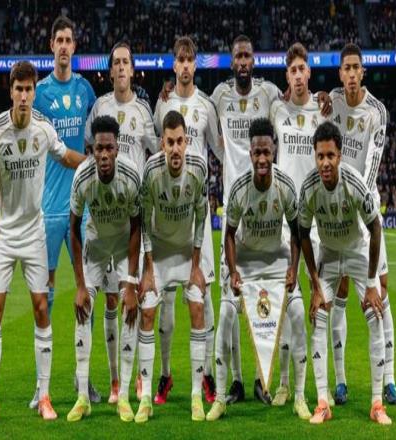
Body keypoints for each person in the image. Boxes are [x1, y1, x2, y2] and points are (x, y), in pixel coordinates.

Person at [0, 61, 86, 423]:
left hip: (34, 231)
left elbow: (65, 156)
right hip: (4, 234)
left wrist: (92, 164)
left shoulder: (43, 128)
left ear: (35, 92)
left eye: (29, 89)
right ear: (11, 92)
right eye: (18, 89)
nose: (24, 95)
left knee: (41, 307)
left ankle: (45, 396)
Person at [206, 118, 305, 421]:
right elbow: (229, 235)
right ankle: (219, 399)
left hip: (277, 260)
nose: (262, 158)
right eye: (257, 153)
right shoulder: (239, 189)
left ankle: (299, 395)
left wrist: (293, 268)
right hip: (245, 262)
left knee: (298, 313)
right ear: (250, 153)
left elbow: (296, 232)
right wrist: (233, 270)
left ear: (273, 152)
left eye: (267, 152)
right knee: (225, 316)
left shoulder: (285, 185)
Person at [299, 121, 391, 425]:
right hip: (328, 253)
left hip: (356, 251)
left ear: (339, 156)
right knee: (318, 316)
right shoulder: (309, 187)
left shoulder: (354, 182)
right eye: (320, 156)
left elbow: (375, 227)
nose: (325, 162)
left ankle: (377, 403)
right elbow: (302, 233)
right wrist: (315, 285)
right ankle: (323, 402)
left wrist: (371, 283)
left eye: (331, 156)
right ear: (315, 156)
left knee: (375, 313)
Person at [84, 41, 158, 403]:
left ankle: (138, 379)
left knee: (138, 299)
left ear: (132, 68)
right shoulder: (100, 107)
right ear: (111, 70)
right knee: (111, 301)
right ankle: (115, 381)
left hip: (136, 219)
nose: (122, 67)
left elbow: (156, 152)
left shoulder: (143, 110)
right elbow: (89, 151)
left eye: (127, 62)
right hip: (106, 218)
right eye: (116, 62)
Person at [31, 15, 99, 407]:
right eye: (58, 39)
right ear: (51, 46)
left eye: (68, 39)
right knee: (45, 297)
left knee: (85, 291)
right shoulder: (39, 93)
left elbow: (96, 137)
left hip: (81, 209)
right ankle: (41, 387)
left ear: (74, 47)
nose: (63, 45)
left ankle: (83, 380)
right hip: (46, 209)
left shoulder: (85, 89)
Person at [329, 43, 396, 405]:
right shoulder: (331, 103)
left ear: (363, 72)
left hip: (365, 208)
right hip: (336, 213)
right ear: (340, 73)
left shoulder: (377, 111)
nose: (352, 74)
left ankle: (389, 379)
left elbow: (373, 163)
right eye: (347, 68)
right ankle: (341, 381)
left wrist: (359, 205)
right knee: (339, 292)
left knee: (380, 292)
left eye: (357, 67)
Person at [153, 36, 221, 405]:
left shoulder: (206, 106)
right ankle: (165, 374)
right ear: (173, 64)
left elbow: (222, 150)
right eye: (179, 59)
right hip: (166, 212)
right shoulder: (162, 103)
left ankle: (206, 373)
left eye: (189, 59)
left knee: (203, 291)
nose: (184, 65)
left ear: (196, 65)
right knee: (164, 296)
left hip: (197, 211)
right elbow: (153, 149)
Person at [66, 116, 141, 422]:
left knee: (129, 309)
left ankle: (122, 396)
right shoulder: (82, 177)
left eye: (110, 147)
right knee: (83, 309)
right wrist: (80, 286)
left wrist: (131, 282)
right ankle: (83, 397)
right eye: (99, 148)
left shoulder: (131, 175)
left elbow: (137, 227)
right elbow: (73, 229)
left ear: (117, 148)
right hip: (96, 243)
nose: (105, 154)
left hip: (123, 243)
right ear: (92, 150)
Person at [136, 110, 208, 423]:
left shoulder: (198, 168)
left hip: (187, 251)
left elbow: (202, 216)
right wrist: (148, 269)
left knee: (197, 308)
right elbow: (144, 219)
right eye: (170, 142)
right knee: (148, 312)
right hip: (160, 252)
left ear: (187, 141)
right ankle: (145, 398)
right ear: (162, 144)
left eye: (180, 141)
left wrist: (196, 265)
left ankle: (196, 395)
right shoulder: (151, 171)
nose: (176, 148)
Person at [269, 42, 326, 412]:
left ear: (309, 72)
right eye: (292, 70)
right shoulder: (277, 108)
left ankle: (320, 386)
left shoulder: (322, 110)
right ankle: (285, 384)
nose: (298, 75)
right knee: (288, 304)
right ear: (287, 76)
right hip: (285, 220)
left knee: (319, 303)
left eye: (302, 68)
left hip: (316, 220)